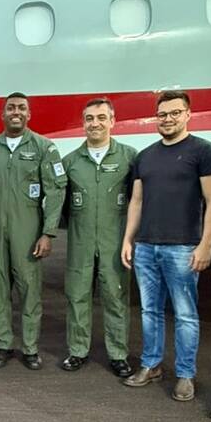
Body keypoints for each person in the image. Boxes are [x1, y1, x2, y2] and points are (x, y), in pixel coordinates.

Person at [121, 91, 211, 400]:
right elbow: (137, 201)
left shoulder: (204, 151)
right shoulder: (145, 156)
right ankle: (151, 365)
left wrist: (206, 244)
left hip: (183, 248)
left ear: (188, 114)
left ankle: (185, 374)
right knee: (149, 311)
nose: (168, 119)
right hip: (146, 247)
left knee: (185, 315)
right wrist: (128, 239)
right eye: (163, 114)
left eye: (175, 113)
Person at [0, 92, 66, 369]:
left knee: (29, 291)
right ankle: (2, 345)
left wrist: (48, 232)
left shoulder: (44, 148)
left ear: (29, 114)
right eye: (11, 108)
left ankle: (30, 348)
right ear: (2, 114)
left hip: (28, 233)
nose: (16, 112)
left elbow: (55, 191)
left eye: (22, 108)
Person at [60, 98, 138, 377]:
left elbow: (138, 200)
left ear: (112, 121)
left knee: (116, 297)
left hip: (113, 242)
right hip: (80, 242)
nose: (95, 124)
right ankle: (77, 351)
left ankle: (118, 354)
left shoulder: (129, 157)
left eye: (102, 118)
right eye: (90, 118)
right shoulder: (70, 162)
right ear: (83, 123)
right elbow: (62, 205)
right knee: (77, 296)